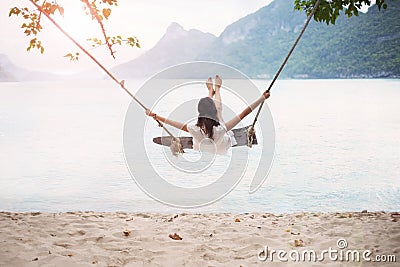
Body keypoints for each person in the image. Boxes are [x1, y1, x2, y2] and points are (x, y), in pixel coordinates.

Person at [146, 75, 270, 155]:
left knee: (213, 111)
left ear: (199, 111)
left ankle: (211, 91)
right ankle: (217, 89)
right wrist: (261, 98)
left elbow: (172, 122)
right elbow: (244, 113)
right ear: (213, 112)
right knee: (219, 111)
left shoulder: (193, 128)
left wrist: (155, 116)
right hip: (222, 148)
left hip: (200, 147)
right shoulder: (221, 128)